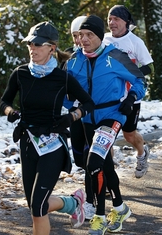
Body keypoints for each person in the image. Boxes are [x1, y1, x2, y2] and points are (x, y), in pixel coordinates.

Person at [0, 21, 95, 234]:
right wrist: (11, 113)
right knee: (34, 205)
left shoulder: (62, 78)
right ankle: (72, 203)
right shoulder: (20, 74)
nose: (32, 49)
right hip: (28, 142)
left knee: (38, 206)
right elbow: (3, 102)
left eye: (38, 45)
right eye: (30, 44)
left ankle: (72, 204)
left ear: (52, 48)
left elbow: (88, 103)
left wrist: (71, 117)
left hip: (53, 144)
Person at [65, 15, 146, 234]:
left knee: (94, 162)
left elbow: (140, 80)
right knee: (104, 165)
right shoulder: (73, 61)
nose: (84, 39)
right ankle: (120, 206)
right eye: (81, 35)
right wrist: (69, 108)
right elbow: (65, 91)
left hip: (112, 115)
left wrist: (131, 98)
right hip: (87, 118)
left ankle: (99, 216)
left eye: (89, 34)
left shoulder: (115, 56)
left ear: (100, 36)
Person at [103, 5, 154, 178]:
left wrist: (130, 74)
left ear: (126, 22)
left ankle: (142, 153)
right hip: (108, 98)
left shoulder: (135, 42)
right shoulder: (104, 41)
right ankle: (109, 175)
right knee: (106, 137)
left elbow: (149, 67)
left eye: (116, 19)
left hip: (130, 97)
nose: (112, 22)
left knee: (129, 135)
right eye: (109, 19)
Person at [64, 15, 97, 221]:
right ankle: (100, 185)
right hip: (74, 116)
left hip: (94, 115)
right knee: (80, 160)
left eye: (82, 35)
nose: (78, 40)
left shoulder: (95, 56)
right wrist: (70, 105)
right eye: (75, 36)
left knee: (90, 160)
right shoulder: (68, 58)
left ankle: (92, 202)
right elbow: (61, 89)